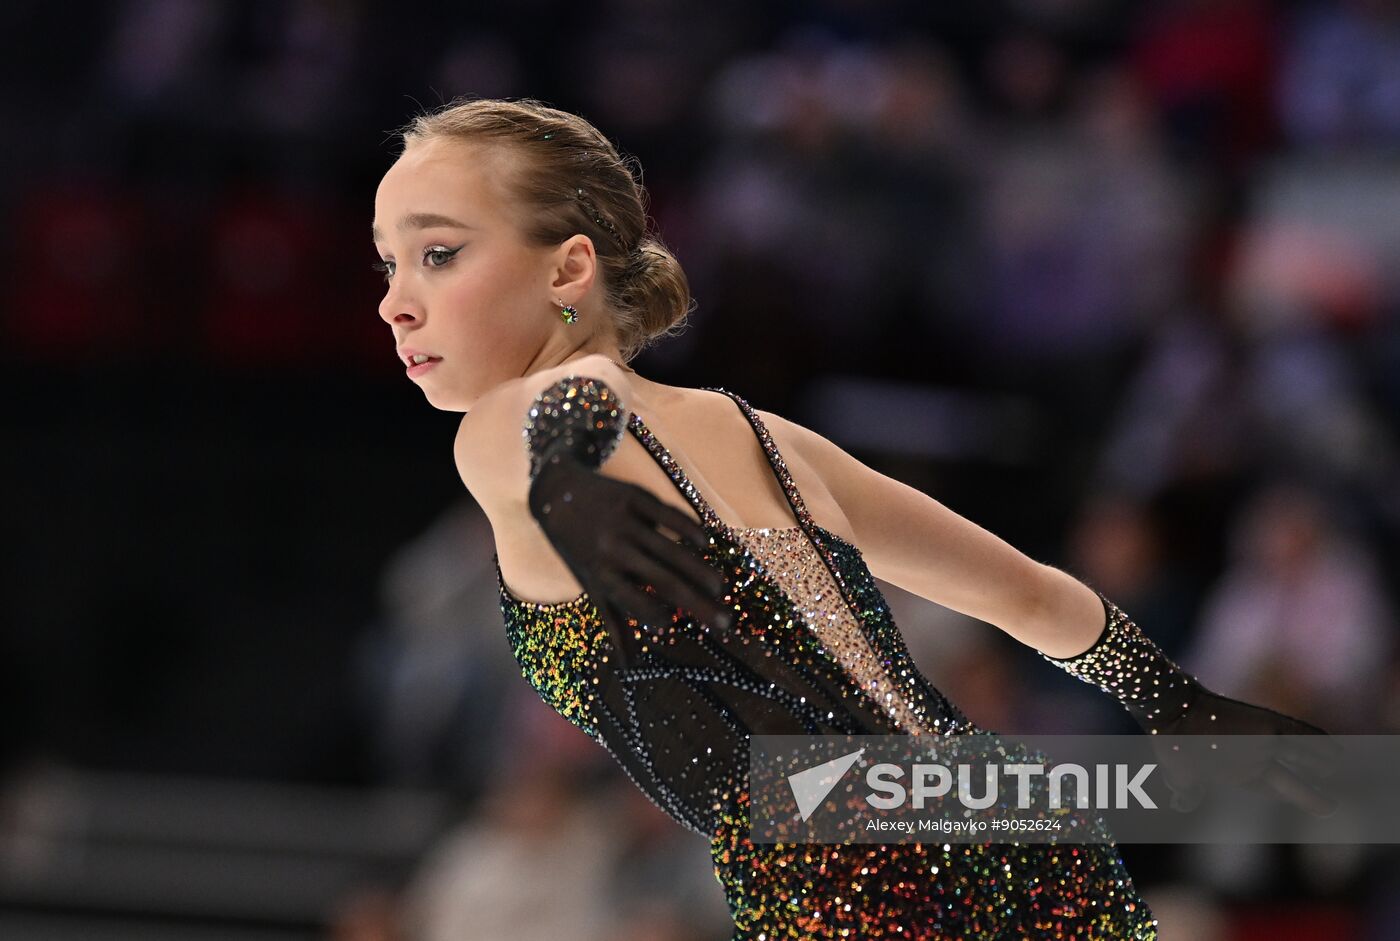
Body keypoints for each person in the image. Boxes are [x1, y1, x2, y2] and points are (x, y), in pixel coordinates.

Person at [371, 96, 1329, 940]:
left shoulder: (508, 426)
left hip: (853, 878)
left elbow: (562, 409)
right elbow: (1027, 594)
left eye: (438, 254)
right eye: (388, 265)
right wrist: (1177, 703)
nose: (396, 303)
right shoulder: (763, 437)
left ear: (569, 268)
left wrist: (569, 472)